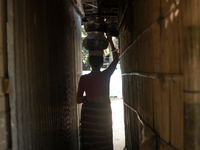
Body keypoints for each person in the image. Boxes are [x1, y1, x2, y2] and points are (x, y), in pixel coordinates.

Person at [76, 33, 119, 150]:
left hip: (90, 115)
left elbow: (78, 100)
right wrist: (110, 40)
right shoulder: (106, 75)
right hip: (103, 113)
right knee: (104, 139)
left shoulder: (83, 79)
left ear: (89, 63)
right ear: (101, 63)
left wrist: (87, 98)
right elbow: (116, 59)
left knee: (91, 142)